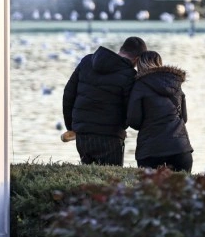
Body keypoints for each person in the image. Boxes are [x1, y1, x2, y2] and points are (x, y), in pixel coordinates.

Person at [62, 36, 147, 166]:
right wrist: (122, 128)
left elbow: (68, 95)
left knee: (88, 180)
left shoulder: (86, 62)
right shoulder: (130, 75)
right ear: (137, 59)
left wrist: (72, 127)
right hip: (110, 138)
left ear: (121, 49)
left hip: (83, 134)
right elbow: (130, 109)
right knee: (110, 183)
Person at [127, 50, 193, 173]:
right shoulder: (176, 83)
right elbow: (184, 118)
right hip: (180, 148)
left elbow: (134, 121)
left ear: (140, 65)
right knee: (182, 190)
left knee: (150, 190)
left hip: (150, 150)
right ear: (159, 63)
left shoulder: (139, 86)